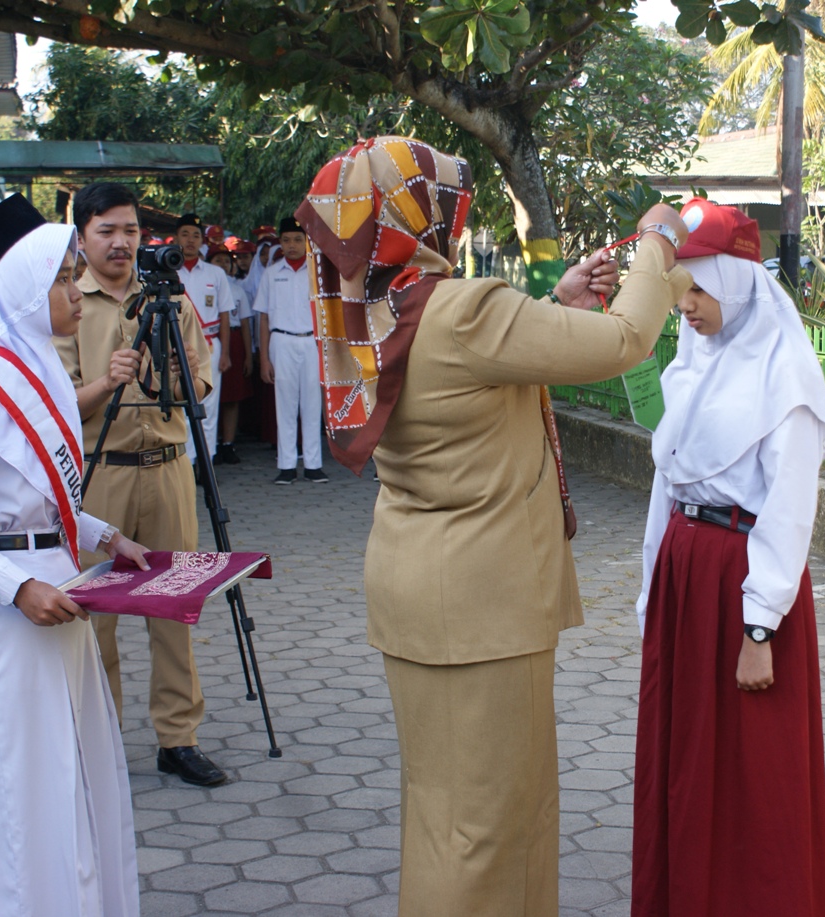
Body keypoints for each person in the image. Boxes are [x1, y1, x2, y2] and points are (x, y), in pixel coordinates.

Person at [294, 135, 690, 917]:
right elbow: (624, 340)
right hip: (482, 604)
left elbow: (470, 368)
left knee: (447, 815)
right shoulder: (464, 307)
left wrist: (556, 302)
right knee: (484, 829)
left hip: (420, 589)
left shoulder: (373, 303)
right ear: (423, 215)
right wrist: (658, 245)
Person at [0, 193, 149, 916]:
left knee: (72, 782)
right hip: (11, 615)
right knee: (23, 794)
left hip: (64, 594)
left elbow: (42, 501)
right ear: (20, 288)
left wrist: (107, 537)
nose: (75, 292)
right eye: (62, 278)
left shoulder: (37, 368)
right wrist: (16, 588)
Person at [631, 200, 825, 917]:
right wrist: (651, 584)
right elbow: (670, 480)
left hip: (745, 587)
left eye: (698, 288)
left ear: (739, 281)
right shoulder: (693, 364)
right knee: (686, 761)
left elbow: (788, 511)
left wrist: (759, 628)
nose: (686, 306)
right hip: (687, 580)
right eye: (679, 289)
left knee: (753, 775)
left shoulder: (787, 378)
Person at [56, 182, 228, 787]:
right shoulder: (67, 303)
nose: (122, 242)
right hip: (101, 475)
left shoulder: (170, 298)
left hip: (169, 468)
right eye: (107, 231)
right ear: (82, 237)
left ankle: (177, 738)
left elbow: (202, 385)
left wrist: (179, 369)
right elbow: (53, 406)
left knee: (174, 609)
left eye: (130, 230)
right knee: (92, 616)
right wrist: (108, 382)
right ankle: (97, 741)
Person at [254, 215, 326, 484]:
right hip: (281, 341)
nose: (292, 245)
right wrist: (263, 359)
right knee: (284, 405)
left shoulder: (317, 273)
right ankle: (286, 465)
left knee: (311, 404)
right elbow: (263, 317)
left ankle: (313, 464)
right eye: (286, 240)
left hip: (311, 341)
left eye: (298, 239)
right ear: (280, 243)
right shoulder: (272, 274)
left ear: (307, 241)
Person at [176, 213, 236, 472]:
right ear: (177, 237)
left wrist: (226, 353)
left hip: (210, 345)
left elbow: (224, 314)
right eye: (185, 234)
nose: (190, 240)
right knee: (182, 405)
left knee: (208, 406)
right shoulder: (167, 272)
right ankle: (185, 463)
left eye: (196, 235)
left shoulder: (215, 273)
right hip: (176, 346)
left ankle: (206, 461)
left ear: (203, 240)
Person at [209, 243, 253, 463]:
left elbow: (245, 323)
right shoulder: (207, 286)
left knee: (232, 397)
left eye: (227, 261)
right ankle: (212, 443)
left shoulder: (238, 290)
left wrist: (248, 355)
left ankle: (228, 442)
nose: (224, 264)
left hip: (234, 340)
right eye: (218, 260)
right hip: (211, 339)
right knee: (211, 395)